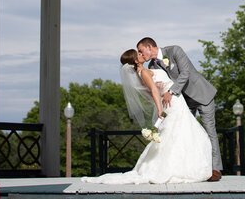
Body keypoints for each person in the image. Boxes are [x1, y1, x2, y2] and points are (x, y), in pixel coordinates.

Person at [81, 48, 212, 185]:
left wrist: (159, 86)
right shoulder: (143, 71)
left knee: (177, 132)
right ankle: (176, 168)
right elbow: (154, 92)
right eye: (138, 54)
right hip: (171, 102)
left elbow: (152, 89)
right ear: (136, 60)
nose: (141, 54)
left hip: (173, 99)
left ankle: (178, 166)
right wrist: (160, 110)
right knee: (179, 132)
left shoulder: (141, 73)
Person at [137, 37, 223, 182]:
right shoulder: (152, 67)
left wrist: (170, 92)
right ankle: (195, 167)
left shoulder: (174, 50)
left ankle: (215, 169)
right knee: (187, 133)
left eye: (141, 50)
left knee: (209, 131)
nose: (140, 54)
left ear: (149, 47)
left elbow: (185, 73)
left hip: (202, 95)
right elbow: (159, 86)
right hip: (182, 102)